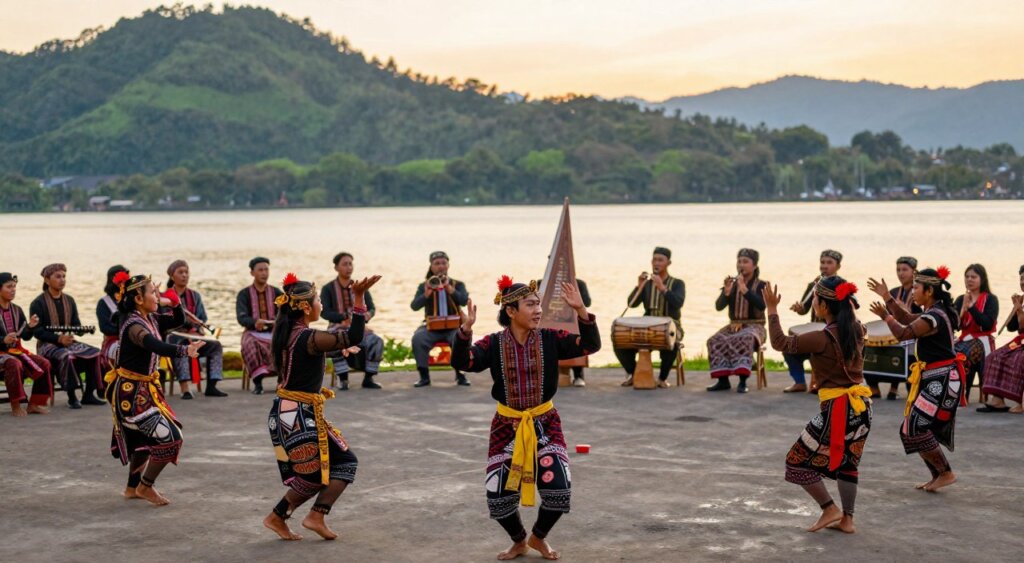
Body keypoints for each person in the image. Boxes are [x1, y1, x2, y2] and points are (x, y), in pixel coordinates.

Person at [452, 277, 600, 561]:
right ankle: (519, 540)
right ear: (510, 311)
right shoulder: (493, 344)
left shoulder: (550, 339)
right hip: (506, 427)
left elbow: (589, 346)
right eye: (530, 305)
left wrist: (581, 311)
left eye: (538, 305)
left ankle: (538, 537)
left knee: (559, 491)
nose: (537, 310)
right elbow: (463, 362)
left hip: (545, 423)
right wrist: (465, 330)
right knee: (498, 496)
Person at [262, 273, 379, 541]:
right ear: (305, 307)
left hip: (291, 412)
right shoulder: (307, 336)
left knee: (322, 471)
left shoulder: (290, 333)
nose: (321, 305)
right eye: (317, 300)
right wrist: (358, 298)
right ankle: (312, 516)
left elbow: (308, 356)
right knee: (340, 466)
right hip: (296, 415)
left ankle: (281, 517)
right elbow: (354, 335)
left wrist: (338, 350)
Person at [765, 277, 871, 534]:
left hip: (839, 410)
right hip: (862, 409)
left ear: (823, 306)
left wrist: (771, 309)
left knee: (796, 461)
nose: (813, 303)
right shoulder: (856, 328)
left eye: (815, 299)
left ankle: (829, 508)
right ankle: (847, 520)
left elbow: (780, 343)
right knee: (847, 464)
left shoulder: (821, 338)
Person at [104, 272, 204, 506]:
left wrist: (173, 301)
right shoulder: (133, 325)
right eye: (152, 292)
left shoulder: (150, 317)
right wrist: (184, 351)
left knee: (144, 440)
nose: (156, 296)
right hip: (131, 394)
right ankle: (145, 486)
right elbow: (154, 345)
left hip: (146, 391)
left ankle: (132, 488)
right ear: (139, 298)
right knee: (171, 438)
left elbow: (177, 320)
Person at [868, 266, 963, 492]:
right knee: (911, 428)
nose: (913, 292)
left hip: (941, 379)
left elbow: (904, 333)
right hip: (934, 378)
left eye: (917, 288)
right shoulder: (935, 311)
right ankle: (937, 474)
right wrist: (887, 297)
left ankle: (946, 472)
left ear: (929, 291)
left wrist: (885, 316)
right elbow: (908, 318)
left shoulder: (934, 316)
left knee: (915, 427)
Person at [30, 263, 105, 408]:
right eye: (58, 277)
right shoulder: (38, 303)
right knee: (66, 355)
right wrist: (59, 339)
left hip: (68, 342)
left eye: (64, 276)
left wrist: (81, 330)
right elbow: (37, 332)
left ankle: (89, 394)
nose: (62, 280)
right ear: (46, 280)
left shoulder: (69, 300)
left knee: (96, 353)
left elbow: (75, 324)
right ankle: (72, 396)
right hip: (47, 345)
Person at [615, 247, 685, 389]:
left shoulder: (678, 283)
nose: (656, 263)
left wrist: (662, 288)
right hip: (647, 326)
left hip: (671, 326)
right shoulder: (646, 284)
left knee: (672, 342)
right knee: (619, 342)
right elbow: (631, 303)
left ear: (668, 263)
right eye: (654, 260)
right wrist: (639, 286)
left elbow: (678, 302)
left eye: (660, 260)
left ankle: (662, 378)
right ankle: (634, 374)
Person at [707, 248, 768, 393]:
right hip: (733, 326)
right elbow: (718, 307)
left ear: (754, 266)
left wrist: (744, 290)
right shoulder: (731, 284)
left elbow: (762, 305)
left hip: (756, 327)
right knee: (714, 340)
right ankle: (723, 381)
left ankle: (742, 381)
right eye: (739, 261)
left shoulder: (762, 285)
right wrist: (726, 293)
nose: (741, 264)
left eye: (745, 262)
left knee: (744, 338)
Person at [320, 252, 384, 390]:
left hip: (359, 329)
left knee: (376, 341)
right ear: (336, 268)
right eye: (345, 264)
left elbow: (372, 308)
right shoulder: (328, 288)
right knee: (337, 340)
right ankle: (343, 379)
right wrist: (344, 317)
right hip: (337, 327)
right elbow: (324, 312)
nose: (349, 267)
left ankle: (369, 378)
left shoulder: (360, 286)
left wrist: (367, 315)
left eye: (350, 264)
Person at [782, 250, 842, 393]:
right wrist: (799, 308)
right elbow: (804, 308)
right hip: (814, 331)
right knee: (789, 348)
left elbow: (847, 310)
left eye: (829, 263)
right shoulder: (813, 285)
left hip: (832, 333)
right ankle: (799, 382)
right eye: (822, 262)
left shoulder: (842, 285)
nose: (824, 266)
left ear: (838, 266)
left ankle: (824, 382)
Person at [166, 259, 227, 398]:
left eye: (186, 272)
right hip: (176, 336)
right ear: (172, 276)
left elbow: (202, 318)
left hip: (194, 335)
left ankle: (212, 386)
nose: (184, 275)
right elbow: (164, 321)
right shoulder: (166, 297)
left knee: (215, 346)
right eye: (180, 272)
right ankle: (185, 388)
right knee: (180, 346)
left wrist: (195, 326)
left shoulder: (195, 296)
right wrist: (184, 325)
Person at [410, 251, 469, 387]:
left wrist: (449, 288)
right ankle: (424, 377)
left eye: (443, 263)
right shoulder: (424, 285)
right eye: (437, 263)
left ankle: (461, 375)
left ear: (448, 265)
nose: (441, 266)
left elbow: (464, 301)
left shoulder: (458, 284)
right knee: (418, 339)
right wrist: (427, 293)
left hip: (453, 326)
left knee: (460, 339)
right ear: (431, 266)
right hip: (431, 327)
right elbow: (414, 306)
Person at [865, 257, 922, 400]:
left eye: (904, 270)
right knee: (870, 347)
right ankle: (874, 387)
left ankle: (894, 387)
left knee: (899, 348)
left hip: (912, 334)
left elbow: (922, 316)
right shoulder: (894, 291)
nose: (900, 273)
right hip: (894, 331)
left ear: (914, 272)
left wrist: (905, 311)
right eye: (898, 270)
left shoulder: (919, 292)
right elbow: (887, 315)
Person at [0, 272, 53, 416]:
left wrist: (30, 326)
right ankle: (15, 405)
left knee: (44, 364)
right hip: (2, 354)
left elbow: (26, 336)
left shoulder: (17, 310)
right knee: (13, 363)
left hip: (16, 351)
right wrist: (2, 340)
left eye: (14, 287)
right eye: (8, 287)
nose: (13, 290)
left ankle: (34, 404)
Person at [978, 264, 1024, 414]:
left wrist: (1020, 311)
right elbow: (1011, 328)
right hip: (1020, 342)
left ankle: (1019, 402)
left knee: (1018, 360)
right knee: (995, 356)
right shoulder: (1021, 299)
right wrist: (1016, 308)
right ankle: (997, 400)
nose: (1022, 283)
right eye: (1021, 279)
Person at [236, 257, 283, 395]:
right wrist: (254, 322)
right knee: (250, 344)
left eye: (266, 269)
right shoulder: (244, 294)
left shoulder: (276, 293)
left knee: (286, 342)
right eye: (260, 270)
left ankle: (282, 381)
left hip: (274, 331)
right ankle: (258, 383)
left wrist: (277, 321)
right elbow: (241, 317)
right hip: (252, 332)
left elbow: (286, 313)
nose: (264, 273)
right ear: (252, 273)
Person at [952, 264, 998, 402]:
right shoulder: (961, 299)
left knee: (963, 354)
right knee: (949, 352)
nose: (969, 280)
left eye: (973, 276)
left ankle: (963, 394)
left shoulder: (991, 299)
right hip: (965, 338)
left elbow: (987, 323)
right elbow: (955, 326)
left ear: (982, 279)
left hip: (982, 340)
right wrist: (961, 311)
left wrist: (971, 308)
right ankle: (956, 393)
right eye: (967, 277)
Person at [97, 265, 128, 374]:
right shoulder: (104, 303)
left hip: (133, 338)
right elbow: (105, 328)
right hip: (113, 341)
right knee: (124, 351)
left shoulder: (130, 299)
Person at [569, 278, 592, 387]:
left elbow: (587, 303)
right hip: (552, 320)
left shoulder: (579, 283)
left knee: (578, 338)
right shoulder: (543, 282)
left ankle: (578, 375)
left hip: (573, 320)